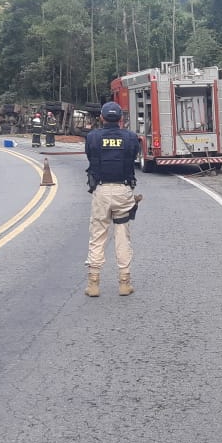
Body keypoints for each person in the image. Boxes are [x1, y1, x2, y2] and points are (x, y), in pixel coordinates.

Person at [84, 101, 141, 297]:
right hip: (123, 191)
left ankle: (93, 284)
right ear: (121, 119)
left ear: (101, 118)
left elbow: (90, 156)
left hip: (101, 190)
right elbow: (134, 155)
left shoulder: (92, 137)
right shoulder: (131, 137)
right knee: (122, 236)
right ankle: (124, 283)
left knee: (98, 234)